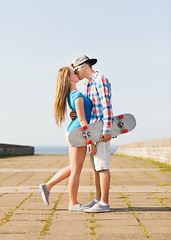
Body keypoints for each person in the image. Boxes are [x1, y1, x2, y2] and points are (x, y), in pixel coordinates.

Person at [39, 66, 96, 211]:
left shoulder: (71, 95)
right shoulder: (76, 95)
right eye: (74, 73)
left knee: (74, 167)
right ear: (70, 79)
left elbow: (78, 115)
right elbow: (83, 120)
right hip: (78, 132)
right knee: (76, 170)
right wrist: (90, 142)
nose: (77, 74)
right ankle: (73, 203)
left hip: (74, 131)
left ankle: (48, 186)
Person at [70, 54, 114, 213]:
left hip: (102, 129)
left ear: (84, 66)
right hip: (93, 131)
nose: (75, 74)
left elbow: (106, 106)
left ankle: (104, 203)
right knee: (96, 168)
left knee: (102, 167)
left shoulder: (100, 80)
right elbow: (91, 109)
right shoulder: (88, 85)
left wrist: (107, 129)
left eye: (76, 70)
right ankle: (98, 199)